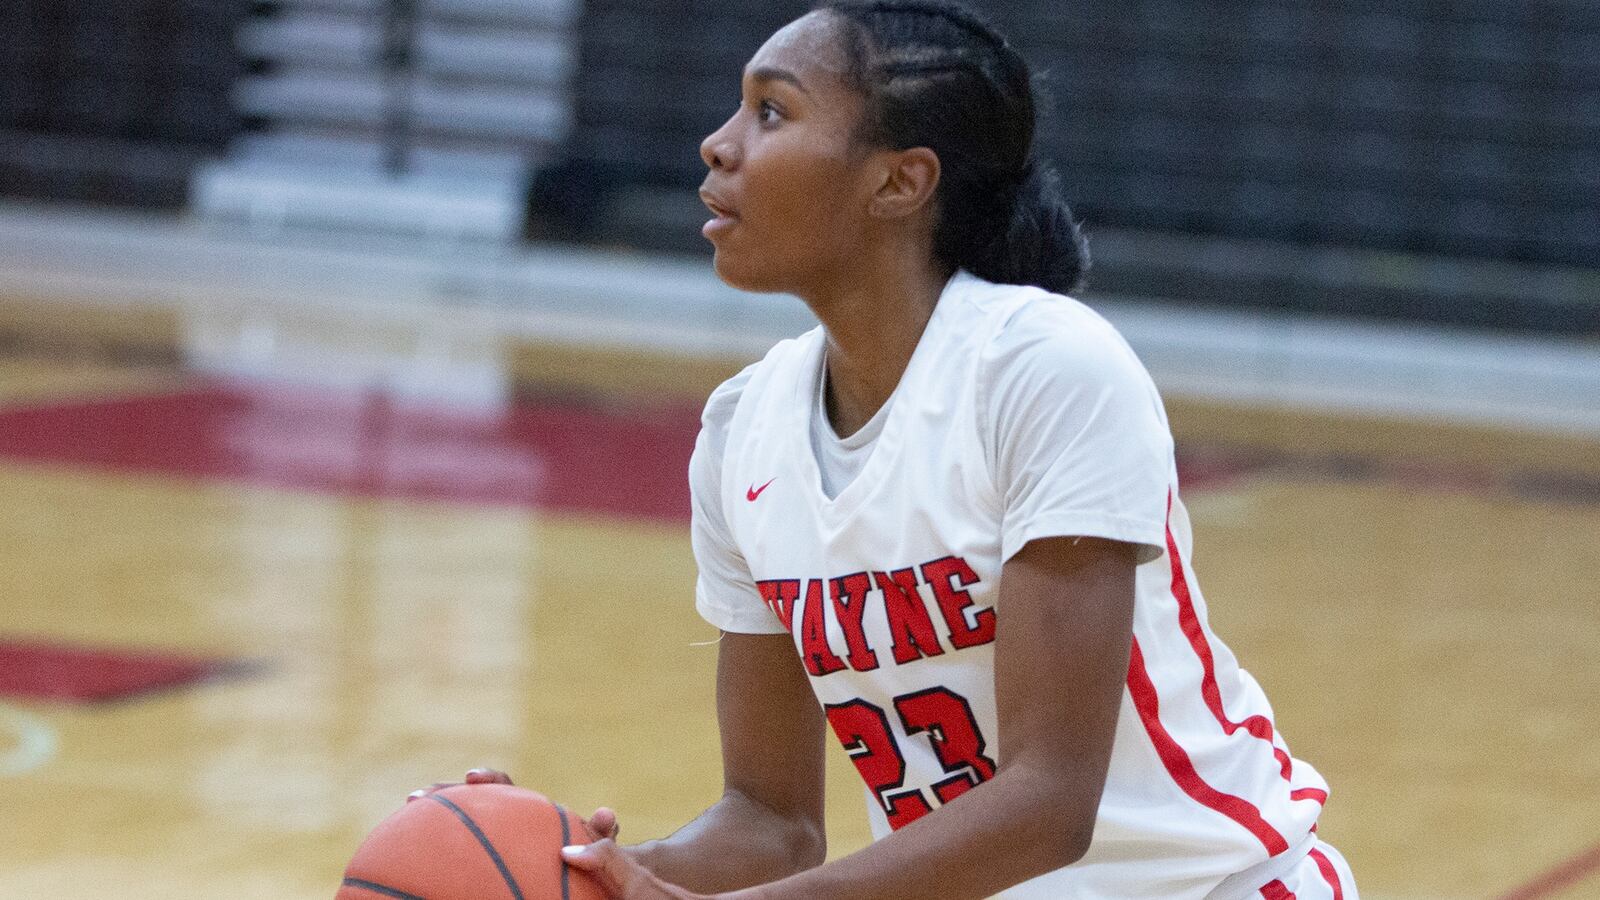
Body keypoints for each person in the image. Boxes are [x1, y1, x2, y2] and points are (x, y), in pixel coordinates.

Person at [447, 2, 1358, 896]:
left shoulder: (1044, 368)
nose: (718, 145)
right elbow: (773, 823)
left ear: (898, 183)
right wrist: (564, 869)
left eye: (772, 111)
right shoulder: (742, 428)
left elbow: (1050, 802)